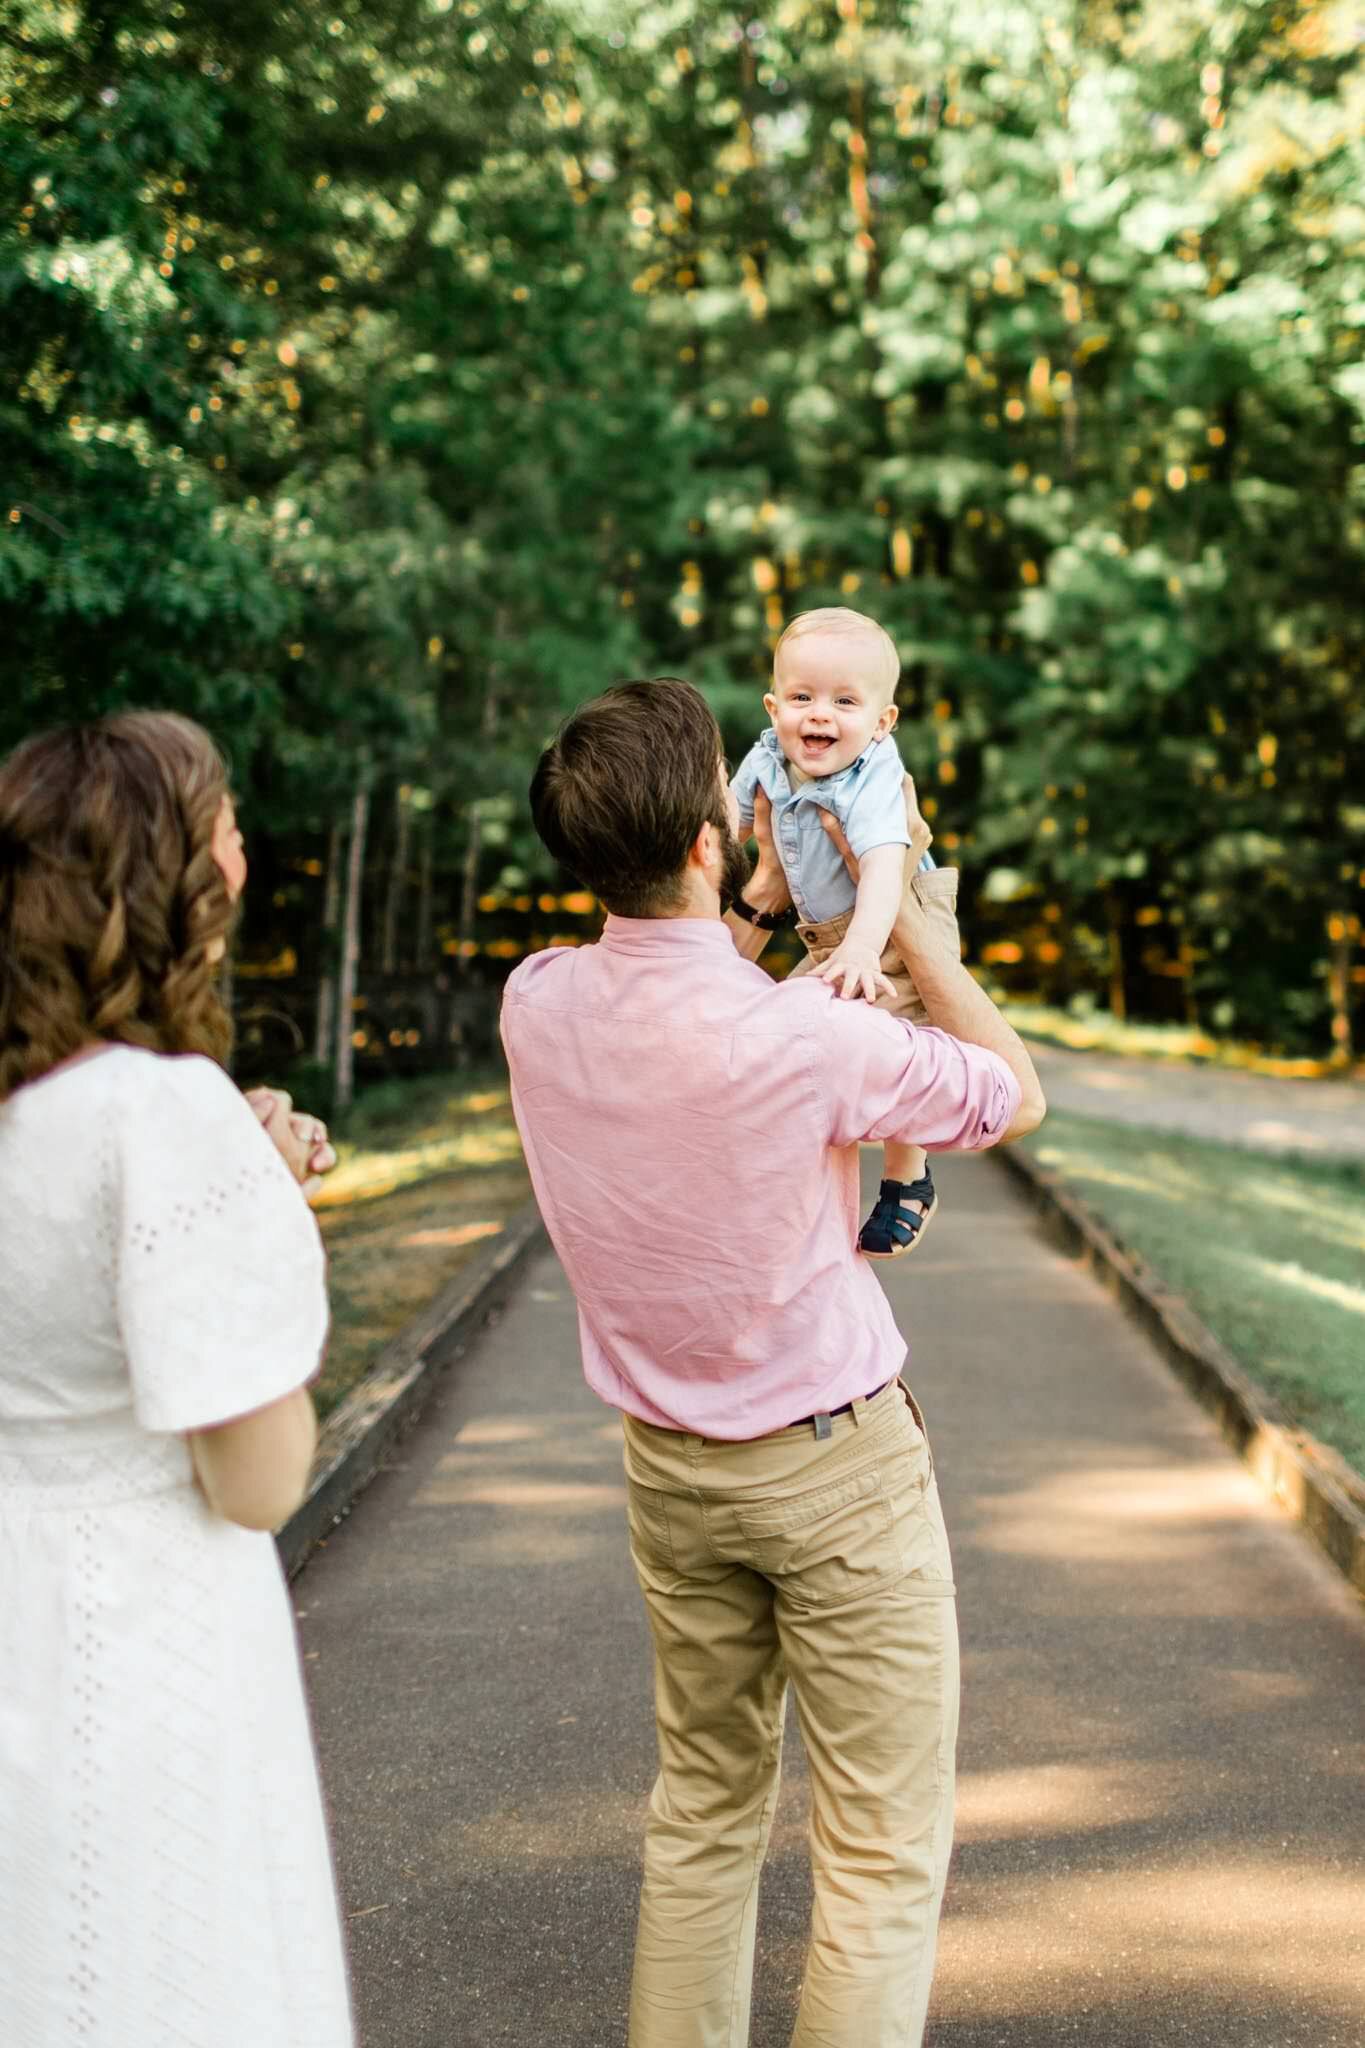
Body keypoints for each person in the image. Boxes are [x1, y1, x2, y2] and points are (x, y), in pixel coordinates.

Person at [501, 676, 1045, 2048]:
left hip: (670, 1476)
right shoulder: (811, 1037)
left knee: (700, 1812)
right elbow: (1013, 1096)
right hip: (836, 1470)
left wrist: (734, 911)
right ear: (709, 839)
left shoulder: (539, 1004)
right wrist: (927, 946)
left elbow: (684, 1001)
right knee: (873, 1846)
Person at [0, 711, 353, 2048]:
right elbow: (255, 1478)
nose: (246, 853)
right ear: (172, 877)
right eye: (226, 827)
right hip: (138, 1640)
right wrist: (261, 1213)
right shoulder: (165, 1114)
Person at [729, 607, 964, 1261]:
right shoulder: (769, 754)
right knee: (782, 1031)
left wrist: (864, 947)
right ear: (773, 705)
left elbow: (883, 867)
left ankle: (906, 1175)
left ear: (882, 721)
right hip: (831, 935)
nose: (819, 716)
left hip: (898, 919)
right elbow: (726, 817)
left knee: (905, 1042)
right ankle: (792, 1178)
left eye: (844, 701)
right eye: (801, 697)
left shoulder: (873, 777)